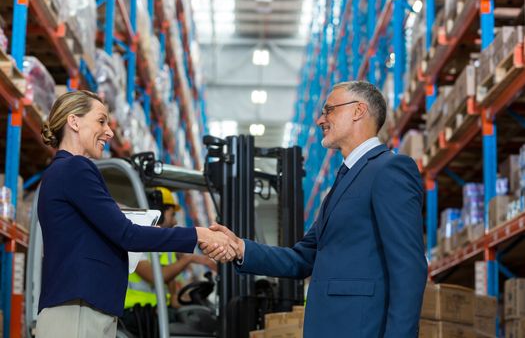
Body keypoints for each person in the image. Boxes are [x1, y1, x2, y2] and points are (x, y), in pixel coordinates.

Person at [203, 81, 428, 337]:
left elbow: (409, 266)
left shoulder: (390, 169)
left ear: (358, 111)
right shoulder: (345, 180)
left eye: (329, 110)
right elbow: (302, 259)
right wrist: (240, 248)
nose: (321, 119)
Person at [35, 90, 238, 338]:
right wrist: (199, 235)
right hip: (78, 309)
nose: (109, 131)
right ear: (74, 121)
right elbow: (127, 234)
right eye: (101, 121)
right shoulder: (76, 168)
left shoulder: (63, 171)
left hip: (84, 306)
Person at [121, 187, 217, 337]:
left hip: (156, 311)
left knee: (203, 321)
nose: (175, 221)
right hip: (135, 313)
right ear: (160, 212)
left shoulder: (165, 249)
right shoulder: (135, 241)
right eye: (172, 215)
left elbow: (173, 291)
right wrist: (188, 259)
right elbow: (155, 277)